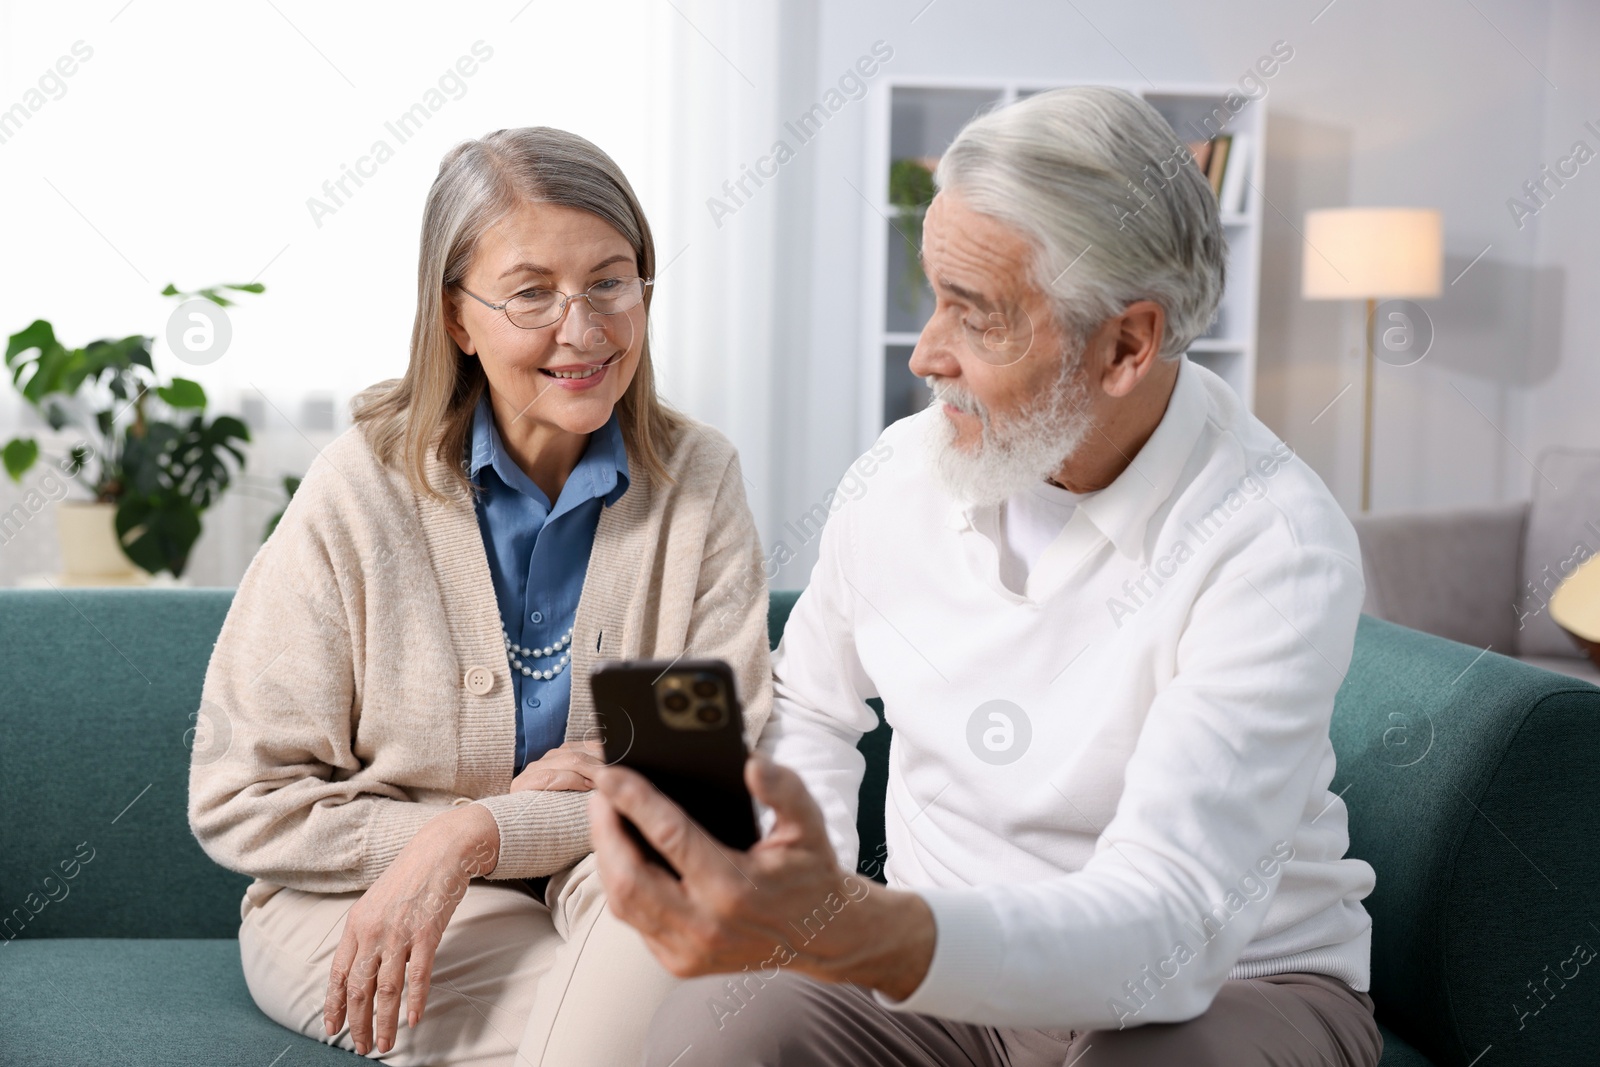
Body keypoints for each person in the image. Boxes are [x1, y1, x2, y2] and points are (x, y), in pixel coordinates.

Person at [589, 86, 1383, 1067]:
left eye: (976, 316)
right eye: (933, 298)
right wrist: (796, 887)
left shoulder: (1271, 541)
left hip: (1230, 983)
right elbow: (815, 707)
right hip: (940, 975)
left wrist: (855, 927)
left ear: (1126, 344)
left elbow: (1166, 927)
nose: (926, 354)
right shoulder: (897, 474)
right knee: (713, 1041)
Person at [187, 127, 772, 1067]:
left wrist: (480, 829)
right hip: (365, 900)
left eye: (610, 282)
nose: (582, 330)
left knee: (697, 1003)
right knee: (682, 1035)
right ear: (458, 317)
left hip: (613, 883)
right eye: (532, 292)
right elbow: (243, 798)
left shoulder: (696, 482)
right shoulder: (360, 488)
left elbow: (702, 790)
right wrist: (440, 846)